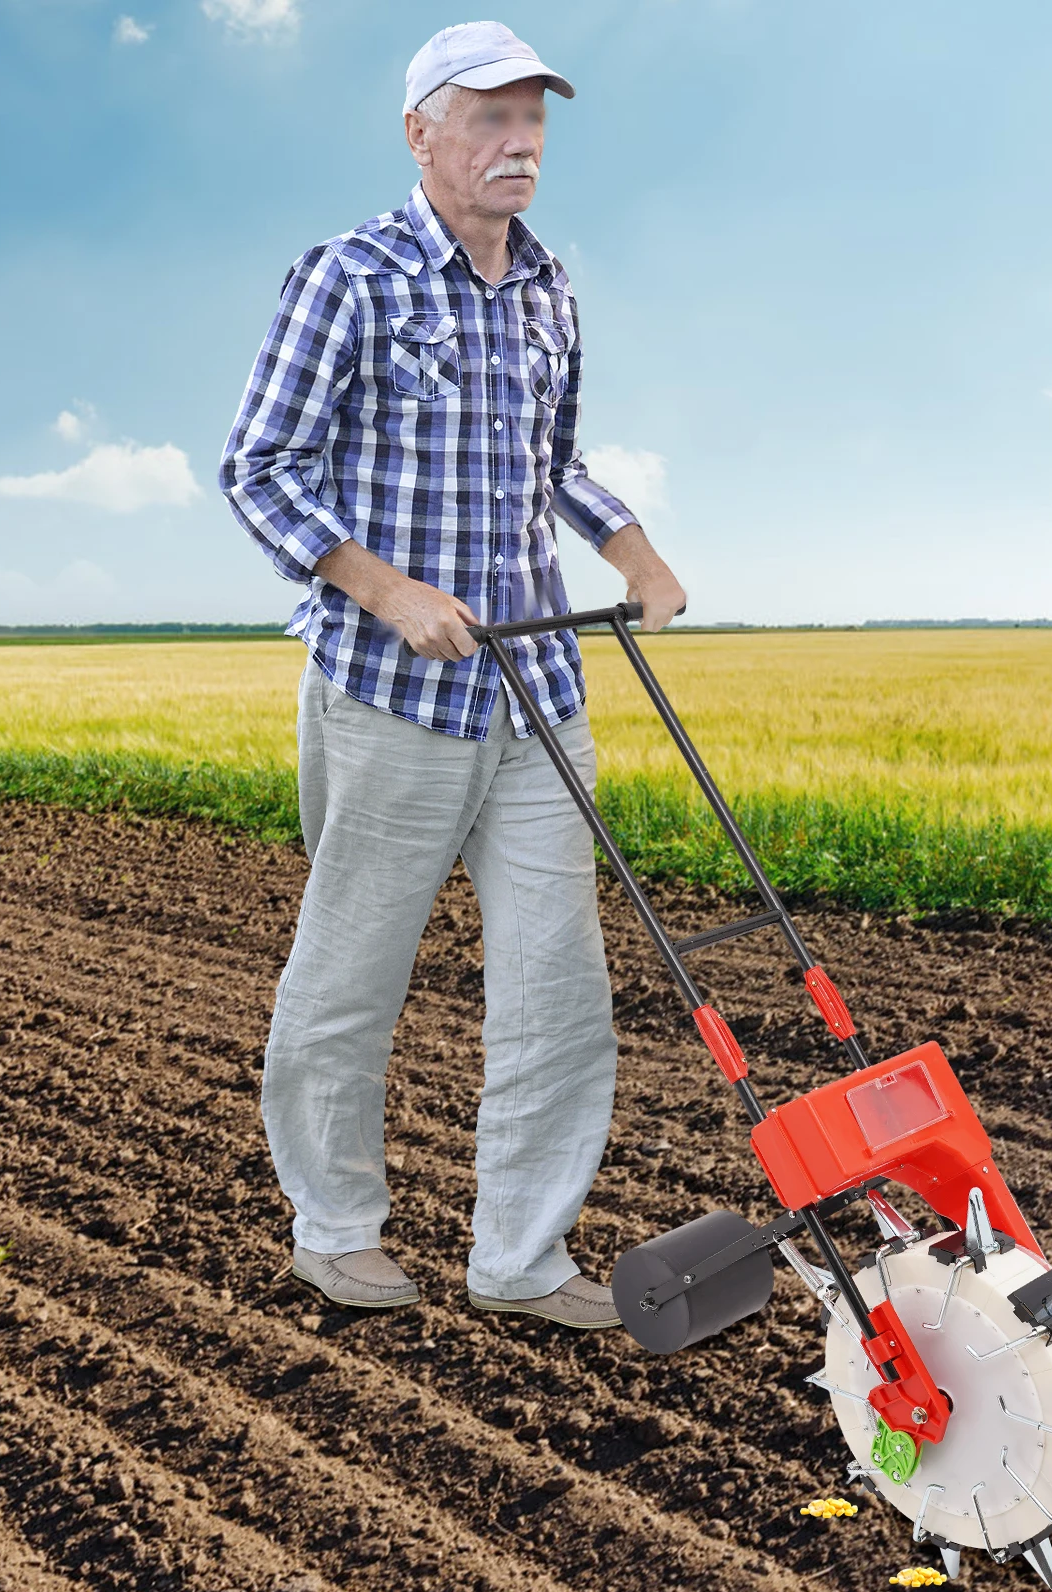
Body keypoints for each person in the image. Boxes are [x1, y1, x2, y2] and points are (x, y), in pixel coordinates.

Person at [218, 20, 685, 1327]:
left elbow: (553, 467)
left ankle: (522, 1259)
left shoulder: (549, 286)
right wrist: (384, 589)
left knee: (559, 983)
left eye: (533, 116)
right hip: (393, 695)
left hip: (537, 689)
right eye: (487, 117)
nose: (519, 140)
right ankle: (337, 1226)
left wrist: (632, 546)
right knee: (352, 972)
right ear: (421, 131)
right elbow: (258, 469)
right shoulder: (351, 276)